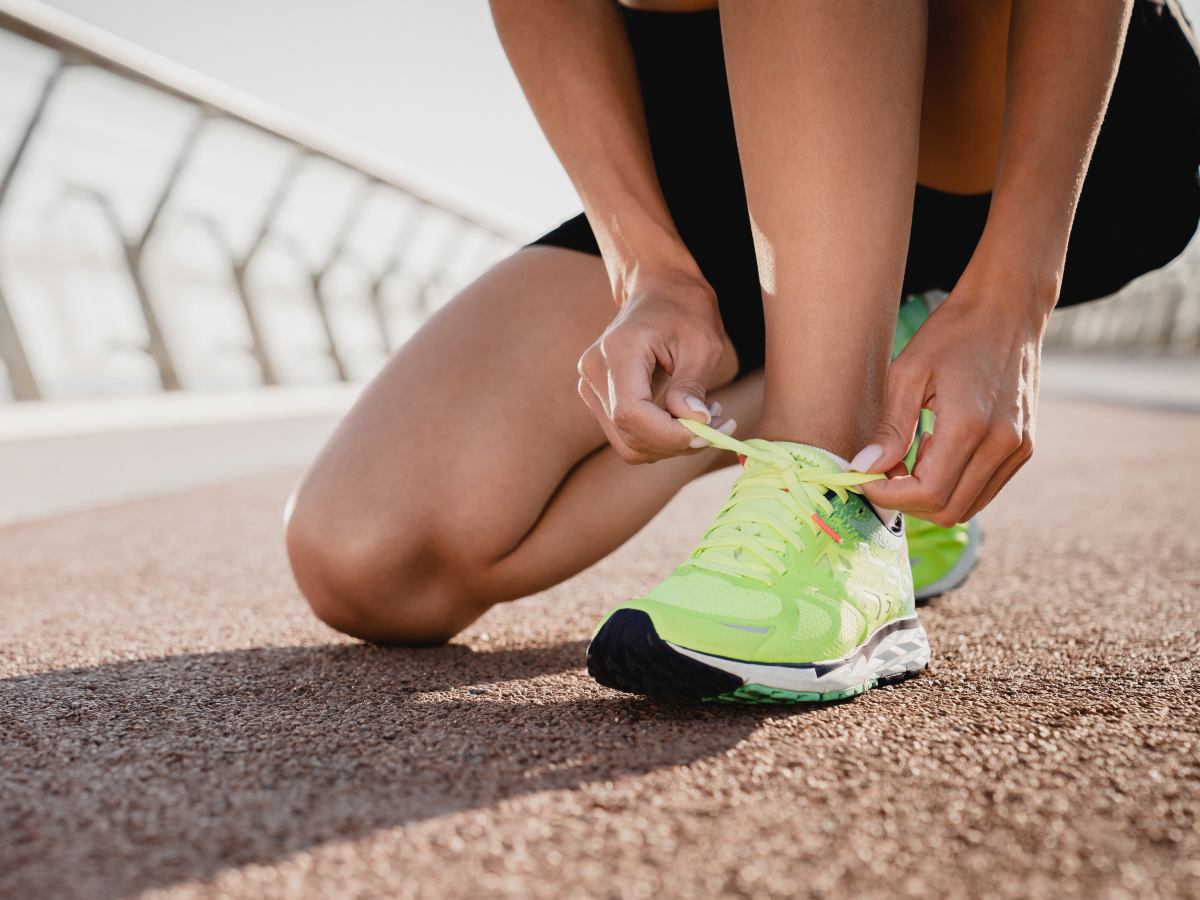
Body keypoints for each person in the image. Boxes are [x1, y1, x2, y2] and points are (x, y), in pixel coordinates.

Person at [284, 0, 1200, 704]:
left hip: (1018, 118)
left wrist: (1013, 295)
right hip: (728, 148)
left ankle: (831, 489)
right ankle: (869, 386)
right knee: (369, 557)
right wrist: (647, 266)